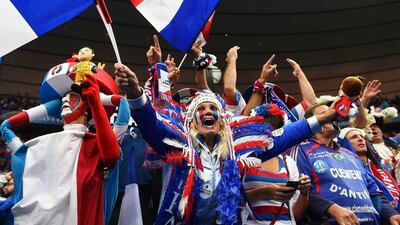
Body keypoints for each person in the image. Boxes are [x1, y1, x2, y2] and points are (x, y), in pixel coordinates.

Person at [114, 50, 337, 224]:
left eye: (213, 109)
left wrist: (323, 118)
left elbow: (284, 136)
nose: (208, 112)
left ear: (222, 122)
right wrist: (134, 93)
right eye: (201, 110)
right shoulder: (178, 145)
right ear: (191, 122)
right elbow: (150, 123)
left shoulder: (238, 149)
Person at [0, 74, 122, 225]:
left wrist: (98, 102)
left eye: (72, 96)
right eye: (63, 97)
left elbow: (112, 155)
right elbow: (5, 127)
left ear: (87, 109)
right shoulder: (38, 146)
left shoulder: (95, 144)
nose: (65, 100)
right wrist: (49, 106)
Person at [291, 103, 400, 225]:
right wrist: (331, 208)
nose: (332, 117)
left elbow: (373, 192)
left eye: (333, 114)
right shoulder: (301, 151)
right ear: (312, 123)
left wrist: (392, 214)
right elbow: (300, 192)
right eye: (324, 114)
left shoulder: (351, 155)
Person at [242, 104, 311, 225]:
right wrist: (263, 192)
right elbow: (229, 201)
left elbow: (296, 215)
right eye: (264, 128)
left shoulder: (288, 162)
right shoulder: (242, 159)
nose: (270, 134)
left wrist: (304, 193)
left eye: (274, 129)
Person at [338, 127, 400, 210]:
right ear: (344, 143)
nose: (360, 139)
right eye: (354, 137)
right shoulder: (344, 171)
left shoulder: (380, 166)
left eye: (362, 137)